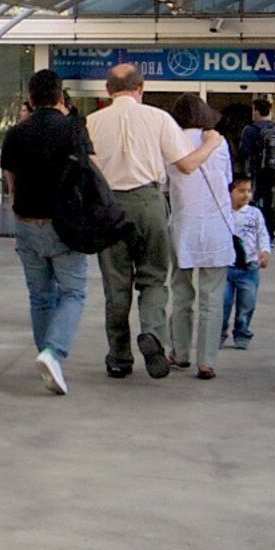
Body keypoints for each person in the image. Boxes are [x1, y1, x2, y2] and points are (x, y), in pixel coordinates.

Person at [86, 65, 210, 379]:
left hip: (110, 205)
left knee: (116, 285)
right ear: (140, 87)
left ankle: (118, 357)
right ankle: (153, 333)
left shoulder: (91, 122)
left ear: (107, 89)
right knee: (153, 276)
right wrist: (211, 144)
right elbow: (185, 165)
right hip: (149, 202)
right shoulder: (158, 118)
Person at [0, 72, 97, 396]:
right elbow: (88, 172)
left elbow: (10, 180)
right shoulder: (73, 129)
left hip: (26, 222)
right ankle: (53, 353)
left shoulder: (15, 132)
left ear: (30, 97)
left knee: (40, 296)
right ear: (60, 97)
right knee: (73, 292)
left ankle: (47, 356)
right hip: (64, 223)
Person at [165, 99, 253, 381]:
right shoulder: (219, 142)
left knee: (181, 294)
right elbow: (226, 180)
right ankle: (207, 361)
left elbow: (167, 184)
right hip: (216, 227)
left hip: (183, 225)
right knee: (212, 298)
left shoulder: (171, 141)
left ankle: (180, 353)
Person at [231, 95, 275, 237]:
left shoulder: (251, 129)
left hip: (256, 171)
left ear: (256, 112)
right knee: (271, 201)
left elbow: (243, 151)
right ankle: (270, 232)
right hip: (274, 171)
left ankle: (252, 230)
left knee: (252, 198)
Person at [223, 188, 273, 351]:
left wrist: (265, 251)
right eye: (241, 191)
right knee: (223, 303)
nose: (246, 195)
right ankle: (218, 334)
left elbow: (263, 234)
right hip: (227, 267)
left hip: (249, 267)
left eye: (250, 191)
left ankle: (242, 334)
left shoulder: (255, 213)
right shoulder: (223, 211)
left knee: (246, 304)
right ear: (230, 192)